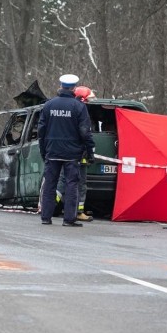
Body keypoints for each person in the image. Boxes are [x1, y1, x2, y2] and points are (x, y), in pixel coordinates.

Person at [37, 74, 95, 226]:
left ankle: (46, 217)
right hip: (72, 154)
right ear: (74, 88)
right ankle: (69, 219)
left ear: (61, 86)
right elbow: (85, 132)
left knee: (50, 184)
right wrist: (90, 151)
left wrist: (44, 150)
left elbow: (41, 130)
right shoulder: (79, 107)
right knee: (72, 185)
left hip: (52, 152)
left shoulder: (49, 105)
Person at [56, 85, 96, 222]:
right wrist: (91, 152)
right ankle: (77, 212)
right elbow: (85, 134)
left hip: (68, 153)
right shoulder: (81, 112)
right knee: (79, 184)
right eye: (88, 100)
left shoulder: (71, 111)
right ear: (83, 99)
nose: (89, 103)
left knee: (62, 181)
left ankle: (49, 205)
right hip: (79, 154)